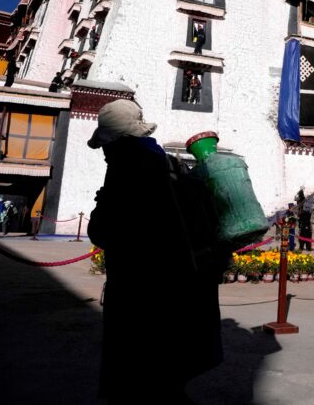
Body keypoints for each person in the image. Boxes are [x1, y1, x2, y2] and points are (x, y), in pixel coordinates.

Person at [87, 99, 224, 402]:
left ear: (119, 140)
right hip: (178, 288)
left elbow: (102, 231)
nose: (105, 152)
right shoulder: (170, 164)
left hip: (138, 292)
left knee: (138, 380)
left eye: (107, 144)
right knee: (165, 378)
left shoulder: (126, 168)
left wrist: (102, 203)